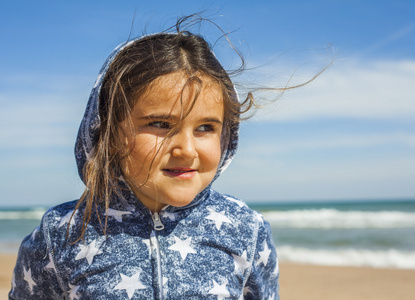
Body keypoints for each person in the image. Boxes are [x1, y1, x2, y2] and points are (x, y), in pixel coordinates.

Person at [9, 17, 279, 299]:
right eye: (160, 124)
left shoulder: (245, 229)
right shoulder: (60, 235)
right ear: (110, 133)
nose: (186, 149)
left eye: (205, 128)